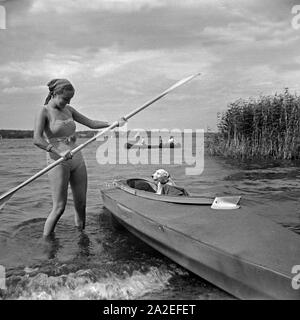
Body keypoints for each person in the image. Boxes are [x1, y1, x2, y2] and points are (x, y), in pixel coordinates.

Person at [34, 78, 126, 237]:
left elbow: (90, 123)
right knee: (59, 208)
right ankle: (46, 242)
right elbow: (37, 139)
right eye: (65, 98)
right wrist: (59, 152)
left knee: (81, 204)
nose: (67, 102)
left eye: (70, 99)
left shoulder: (69, 109)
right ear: (55, 93)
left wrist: (114, 123)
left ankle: (81, 240)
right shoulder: (44, 111)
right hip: (58, 161)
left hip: (77, 159)